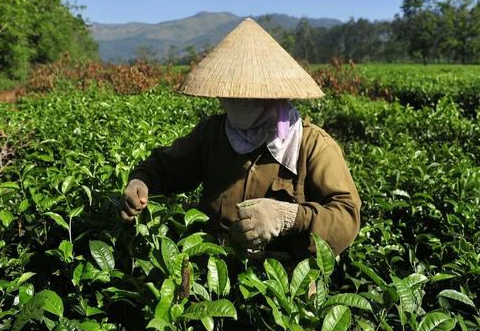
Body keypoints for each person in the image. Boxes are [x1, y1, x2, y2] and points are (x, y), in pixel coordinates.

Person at [120, 18, 361, 259]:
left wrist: (288, 217)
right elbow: (166, 167)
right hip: (215, 274)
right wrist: (141, 181)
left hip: (285, 284)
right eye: (229, 94)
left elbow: (347, 217)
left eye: (245, 94)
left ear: (272, 94)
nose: (234, 101)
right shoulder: (213, 133)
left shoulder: (312, 145)